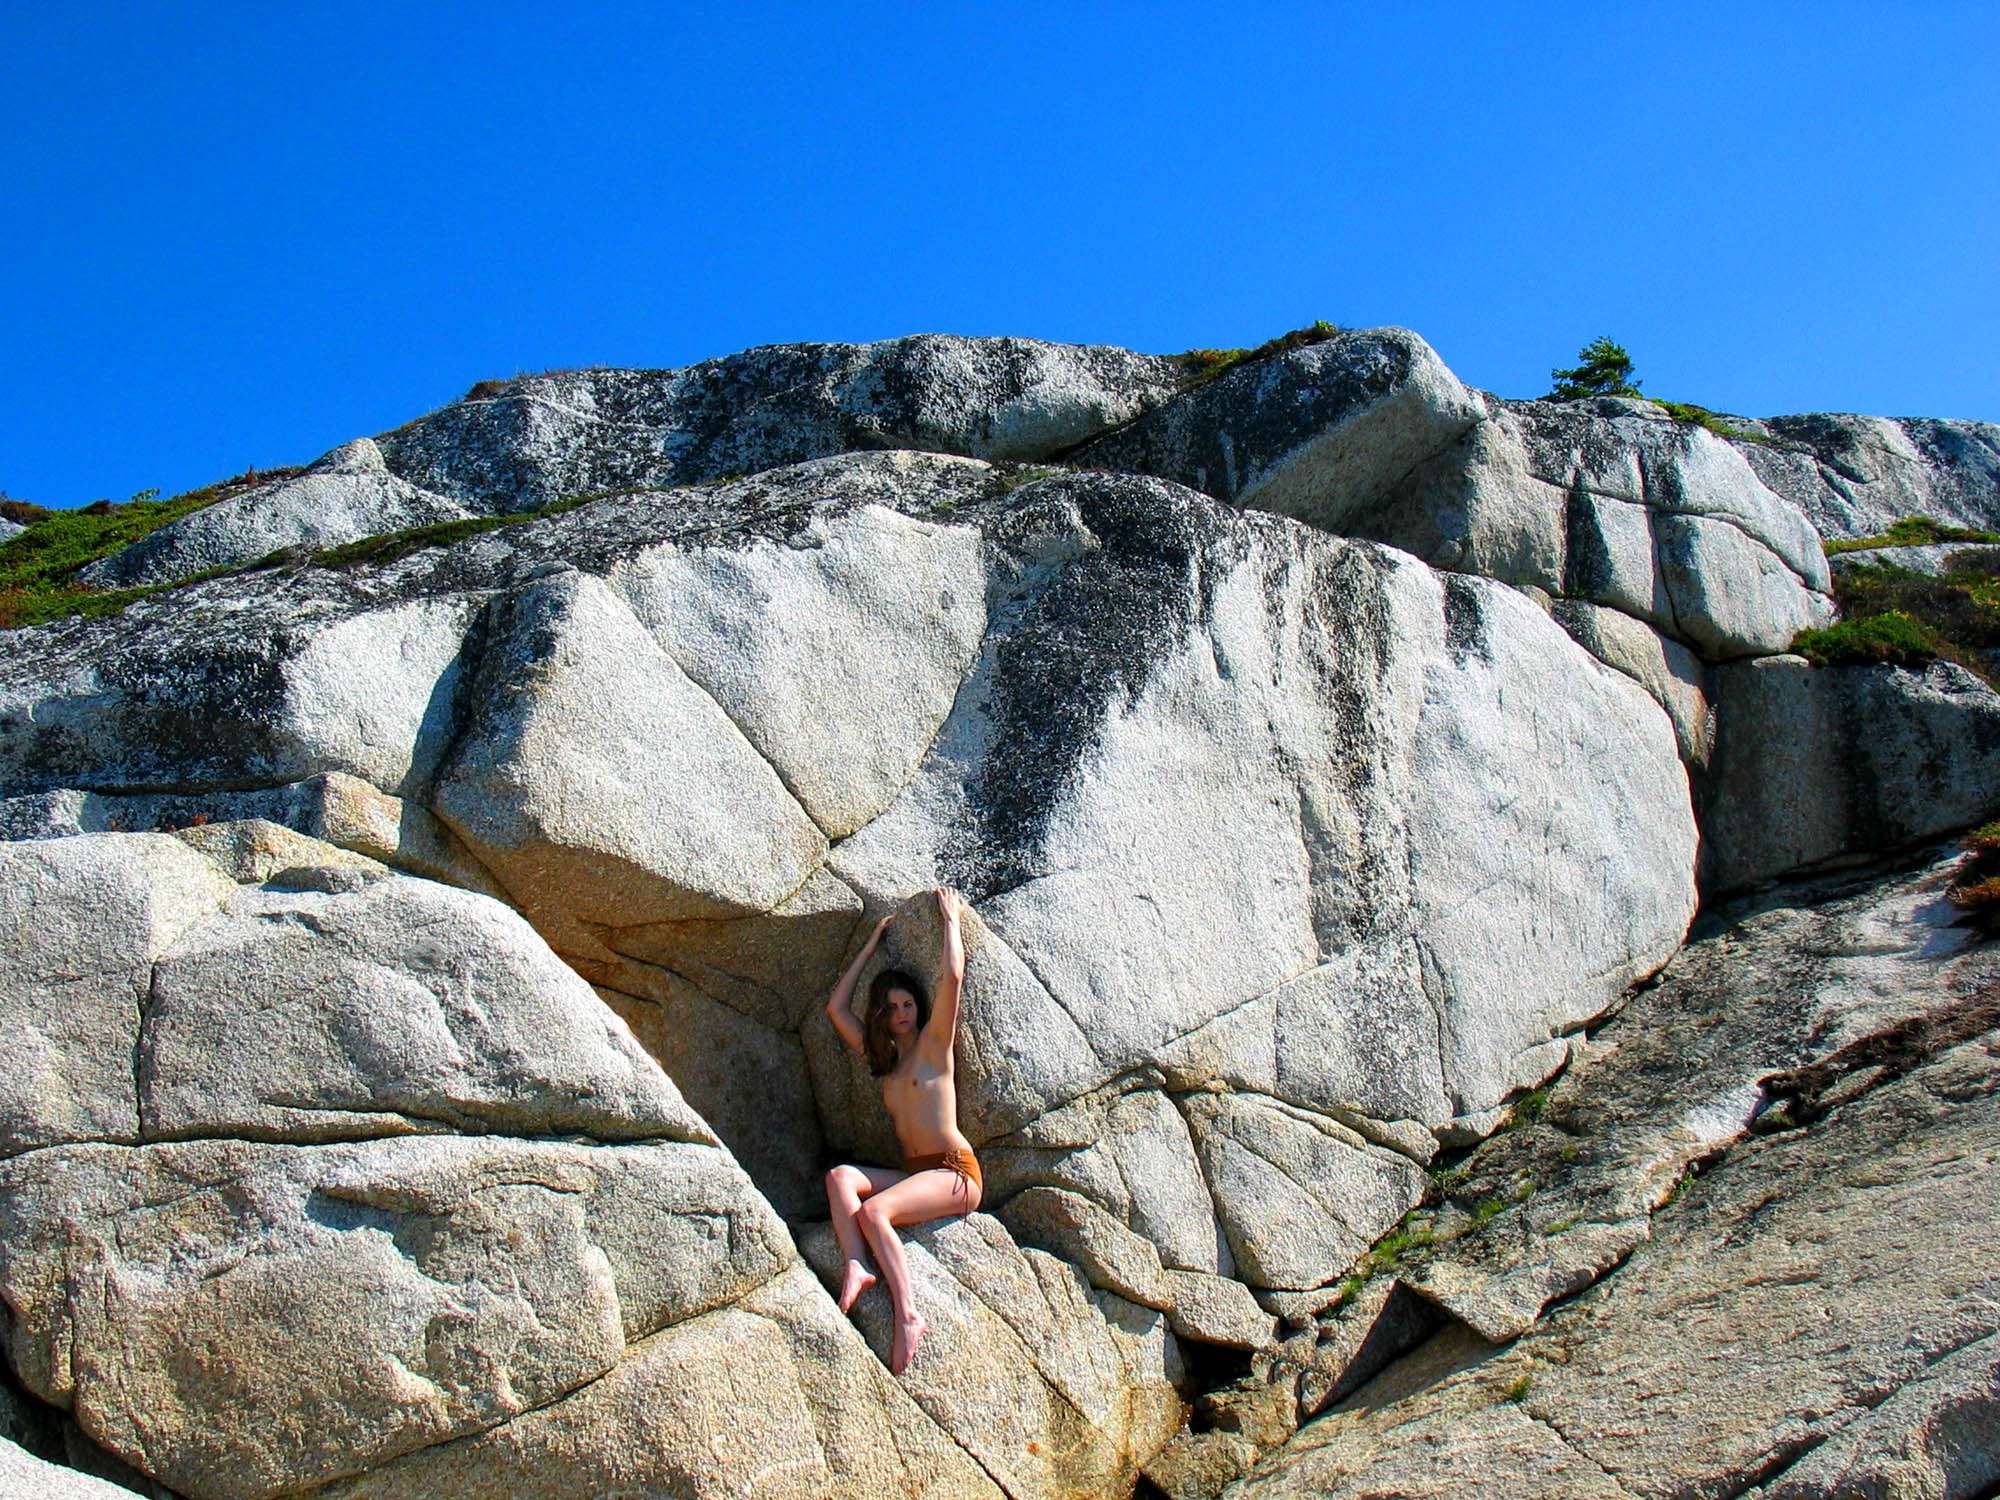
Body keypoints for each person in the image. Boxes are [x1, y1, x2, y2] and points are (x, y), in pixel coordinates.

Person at [822, 884, 981, 1375]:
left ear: (917, 1006)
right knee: (840, 1178)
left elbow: (952, 976)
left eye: (907, 1004)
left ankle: (908, 1314)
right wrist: (870, 947)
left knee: (875, 1212)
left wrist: (951, 920)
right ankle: (857, 1263)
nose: (901, 1014)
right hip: (917, 1174)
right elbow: (836, 1010)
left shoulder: (935, 1046)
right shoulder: (884, 1062)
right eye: (890, 1008)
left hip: (955, 1173)